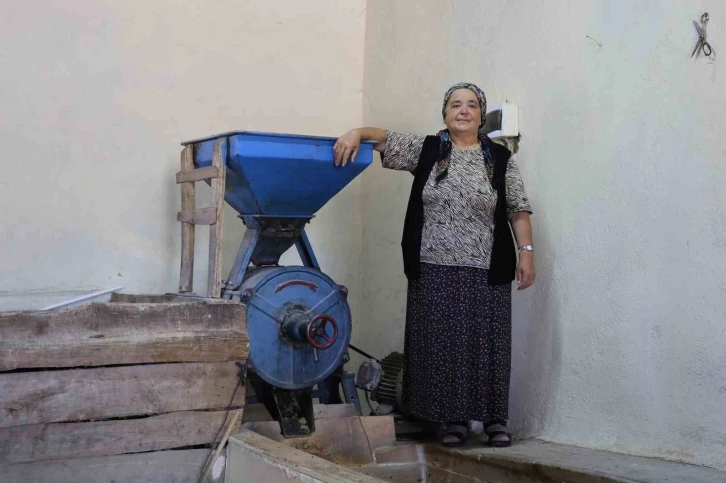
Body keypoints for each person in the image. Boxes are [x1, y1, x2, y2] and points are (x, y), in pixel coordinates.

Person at [333, 82, 535, 448]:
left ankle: (493, 420)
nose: (463, 110)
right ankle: (453, 421)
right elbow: (383, 139)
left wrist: (527, 252)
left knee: (487, 345)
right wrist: (356, 132)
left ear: (480, 114)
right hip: (433, 267)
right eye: (455, 105)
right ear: (444, 113)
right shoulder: (427, 149)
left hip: (486, 268)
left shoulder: (500, 159)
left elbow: (517, 210)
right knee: (443, 346)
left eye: (471, 105)